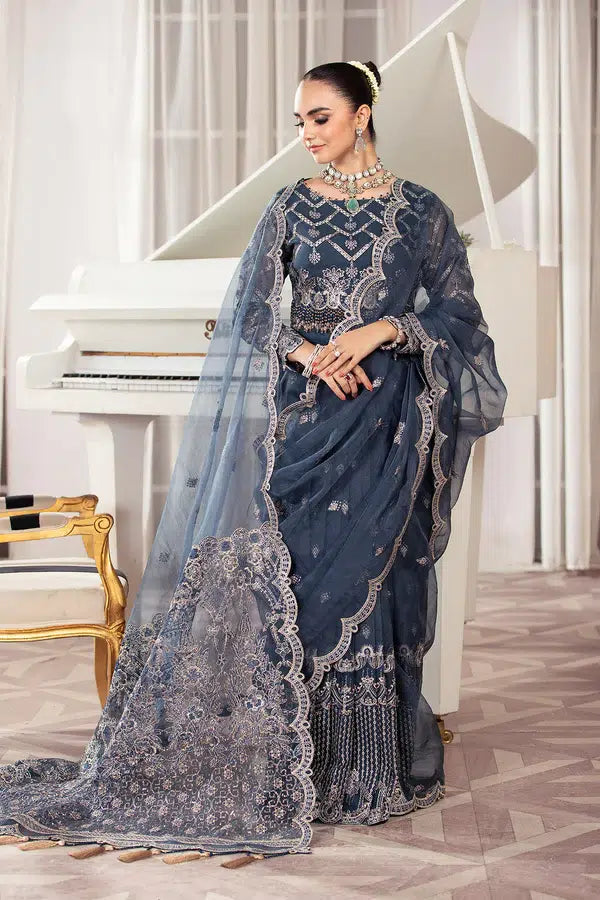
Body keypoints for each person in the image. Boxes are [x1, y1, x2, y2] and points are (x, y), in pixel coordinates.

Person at [0, 60, 507, 859]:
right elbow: (247, 314)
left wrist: (380, 332)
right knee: (297, 576)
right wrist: (312, 355)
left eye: (319, 118)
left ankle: (358, 772)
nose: (306, 134)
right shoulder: (289, 206)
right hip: (307, 418)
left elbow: (458, 313)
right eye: (300, 121)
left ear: (362, 114)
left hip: (388, 421)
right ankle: (278, 757)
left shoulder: (423, 212)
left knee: (377, 576)